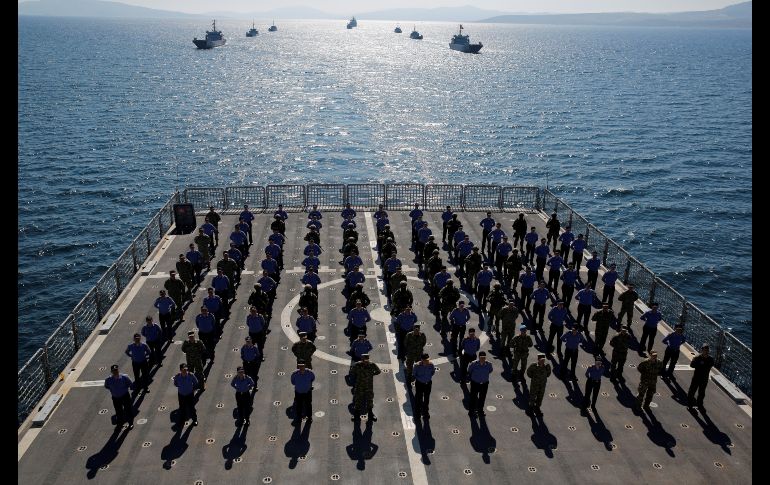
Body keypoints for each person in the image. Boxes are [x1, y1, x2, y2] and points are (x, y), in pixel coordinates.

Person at [351, 354, 381, 422]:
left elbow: (378, 371)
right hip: (359, 385)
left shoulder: (372, 365)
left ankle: (370, 414)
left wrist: (372, 374)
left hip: (369, 386)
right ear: (361, 359)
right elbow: (352, 372)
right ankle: (356, 415)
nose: (366, 361)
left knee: (369, 400)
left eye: (367, 360)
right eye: (364, 360)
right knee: (358, 400)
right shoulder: (357, 365)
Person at [104, 364, 133, 429]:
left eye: (116, 370)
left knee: (128, 410)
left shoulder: (124, 377)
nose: (115, 372)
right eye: (114, 371)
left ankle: (130, 423)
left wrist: (123, 390)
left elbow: (130, 384)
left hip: (125, 396)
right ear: (111, 372)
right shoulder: (108, 380)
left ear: (118, 370)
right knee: (118, 411)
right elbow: (106, 386)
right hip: (116, 398)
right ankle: (120, 423)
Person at [687, 344, 715, 411]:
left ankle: (700, 405)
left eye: (707, 350)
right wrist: (699, 363)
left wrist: (703, 364)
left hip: (704, 379)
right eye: (705, 350)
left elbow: (711, 365)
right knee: (692, 392)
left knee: (702, 393)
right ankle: (690, 405)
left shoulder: (711, 359)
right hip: (696, 378)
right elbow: (692, 365)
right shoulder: (697, 357)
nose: (706, 352)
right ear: (702, 350)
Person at [467, 352, 493, 417]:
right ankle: (471, 412)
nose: (483, 359)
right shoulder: (473, 364)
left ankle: (480, 411)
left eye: (484, 357)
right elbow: (469, 371)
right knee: (473, 398)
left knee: (482, 398)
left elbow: (490, 370)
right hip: (475, 383)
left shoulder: (489, 364)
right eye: (481, 357)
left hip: (484, 384)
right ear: (479, 357)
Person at [413, 353, 435, 421]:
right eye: (425, 360)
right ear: (422, 360)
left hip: (428, 384)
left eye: (428, 360)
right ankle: (417, 413)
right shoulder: (417, 366)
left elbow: (433, 372)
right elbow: (414, 374)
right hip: (419, 384)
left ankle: (426, 413)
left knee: (426, 398)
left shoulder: (431, 365)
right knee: (418, 399)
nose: (427, 361)